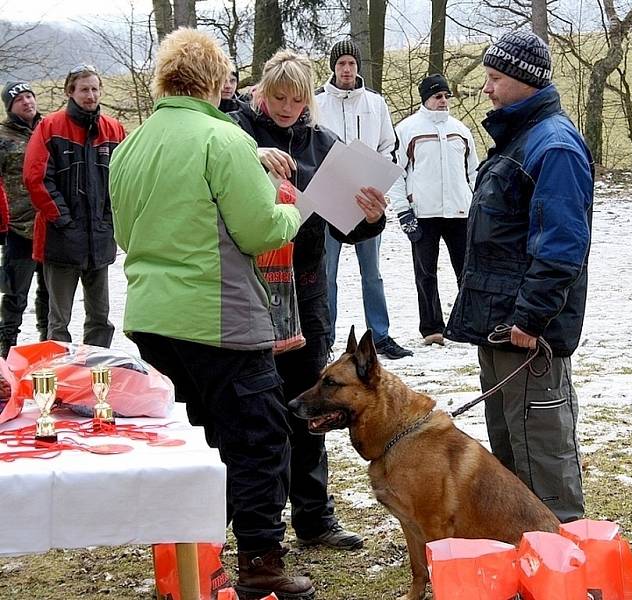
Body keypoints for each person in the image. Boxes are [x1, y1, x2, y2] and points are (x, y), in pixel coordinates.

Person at [108, 29, 314, 600]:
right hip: (219, 315)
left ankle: (197, 560)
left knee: (197, 441)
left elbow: (126, 233)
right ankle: (261, 565)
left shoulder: (132, 143)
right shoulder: (221, 139)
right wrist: (290, 214)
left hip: (151, 316)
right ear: (213, 80)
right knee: (260, 437)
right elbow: (258, 228)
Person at [234, 49, 388, 552]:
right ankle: (258, 526)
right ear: (261, 91)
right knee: (256, 412)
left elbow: (351, 228)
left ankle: (315, 517)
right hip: (247, 289)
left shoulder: (325, 144)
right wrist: (253, 158)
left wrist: (371, 215)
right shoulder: (235, 131)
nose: (286, 107)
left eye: (298, 99)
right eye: (278, 97)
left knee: (310, 404)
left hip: (307, 290)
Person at [445, 31, 593, 523]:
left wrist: (530, 318)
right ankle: (520, 560)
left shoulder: (554, 147)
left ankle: (564, 565)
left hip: (528, 336)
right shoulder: (519, 140)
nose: (486, 88)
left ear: (525, 82)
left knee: (543, 456)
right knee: (510, 454)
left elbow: (561, 246)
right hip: (499, 326)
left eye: (495, 78)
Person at [316, 39, 412, 360]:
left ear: (358, 67)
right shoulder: (318, 104)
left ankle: (380, 336)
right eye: (341, 63)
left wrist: (378, 177)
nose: (346, 69)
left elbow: (388, 145)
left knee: (372, 273)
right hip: (329, 201)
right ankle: (325, 338)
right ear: (333, 67)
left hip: (367, 201)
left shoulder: (376, 103)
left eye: (351, 64)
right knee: (326, 273)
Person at [23, 65, 125, 347]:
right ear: (71, 92)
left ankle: (97, 372)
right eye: (84, 89)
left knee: (101, 317)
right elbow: (37, 178)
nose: (90, 95)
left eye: (94, 89)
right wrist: (65, 221)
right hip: (61, 239)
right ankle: (57, 377)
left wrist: (108, 219)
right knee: (59, 320)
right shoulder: (50, 127)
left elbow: (123, 179)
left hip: (100, 238)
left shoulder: (114, 130)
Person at [388, 74, 478, 347]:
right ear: (425, 98)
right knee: (426, 272)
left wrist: (477, 205)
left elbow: (473, 171)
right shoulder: (406, 130)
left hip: (460, 211)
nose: (443, 101)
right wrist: (404, 211)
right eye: (438, 96)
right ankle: (432, 327)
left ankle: (468, 323)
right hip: (423, 212)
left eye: (446, 96)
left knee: (466, 270)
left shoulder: (461, 130)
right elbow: (394, 173)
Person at [0, 81, 49, 357]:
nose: (27, 102)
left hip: (50, 224)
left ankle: (47, 345)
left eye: (30, 96)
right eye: (20, 99)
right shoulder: (3, 138)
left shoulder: (48, 129)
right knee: (16, 295)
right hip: (18, 229)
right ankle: (6, 351)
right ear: (10, 106)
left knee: (49, 293)